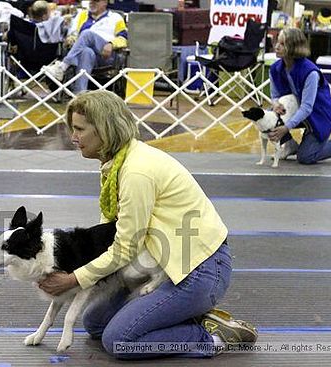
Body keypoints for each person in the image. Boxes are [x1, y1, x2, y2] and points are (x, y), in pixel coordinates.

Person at [38, 90, 258, 360]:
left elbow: (124, 248)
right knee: (94, 323)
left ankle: (212, 337)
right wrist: (80, 272)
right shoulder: (115, 164)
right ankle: (184, 316)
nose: (73, 138)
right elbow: (108, 235)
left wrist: (74, 278)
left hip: (197, 271)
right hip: (157, 265)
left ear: (104, 130)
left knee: (119, 341)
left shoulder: (136, 172)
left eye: (79, 129)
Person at [268, 27, 331, 163]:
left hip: (319, 115)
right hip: (299, 110)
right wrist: (276, 104)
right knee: (270, 114)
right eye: (277, 42)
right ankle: (289, 144)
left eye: (282, 44)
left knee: (305, 157)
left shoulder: (310, 72)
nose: (276, 46)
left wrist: (286, 127)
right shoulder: (275, 68)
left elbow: (307, 107)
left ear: (293, 47)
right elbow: (275, 95)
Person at [44, 0, 126, 92]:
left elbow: (123, 38)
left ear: (105, 2)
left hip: (106, 55)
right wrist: (71, 39)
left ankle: (63, 66)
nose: (92, 3)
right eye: (91, 1)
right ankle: (80, 94)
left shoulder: (115, 17)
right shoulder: (82, 15)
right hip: (85, 55)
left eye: (96, 1)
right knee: (86, 52)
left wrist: (111, 44)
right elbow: (74, 34)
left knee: (87, 33)